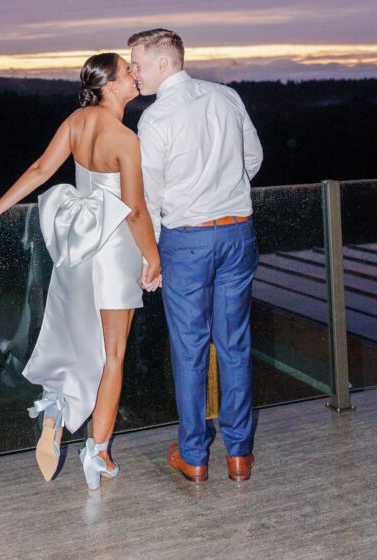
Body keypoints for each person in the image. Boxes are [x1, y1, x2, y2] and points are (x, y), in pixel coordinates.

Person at [0, 52, 161, 490]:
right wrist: (154, 257)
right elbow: (136, 211)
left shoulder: (76, 120)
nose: (135, 76)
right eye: (128, 72)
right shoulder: (125, 138)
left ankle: (56, 410)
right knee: (113, 355)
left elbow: (40, 170)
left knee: (81, 344)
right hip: (112, 250)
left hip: (77, 250)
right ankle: (98, 452)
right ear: (109, 83)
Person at [128, 28, 263, 484]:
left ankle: (195, 456)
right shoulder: (226, 98)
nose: (134, 73)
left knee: (189, 349)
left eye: (139, 65)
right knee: (235, 344)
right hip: (237, 234)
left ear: (164, 64)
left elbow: (150, 196)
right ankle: (239, 455)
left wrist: (155, 256)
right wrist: (223, 190)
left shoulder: (155, 118)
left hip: (187, 240)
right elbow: (254, 160)